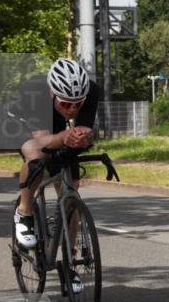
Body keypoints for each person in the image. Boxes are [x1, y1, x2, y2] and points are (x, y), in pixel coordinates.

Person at [8, 58, 100, 252]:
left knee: (71, 192)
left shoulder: (91, 91)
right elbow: (42, 141)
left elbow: (82, 129)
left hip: (56, 126)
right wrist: (65, 137)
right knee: (37, 157)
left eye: (77, 104)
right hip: (23, 124)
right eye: (66, 104)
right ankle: (24, 211)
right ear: (52, 93)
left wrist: (84, 137)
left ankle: (70, 260)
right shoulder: (34, 91)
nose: (72, 110)